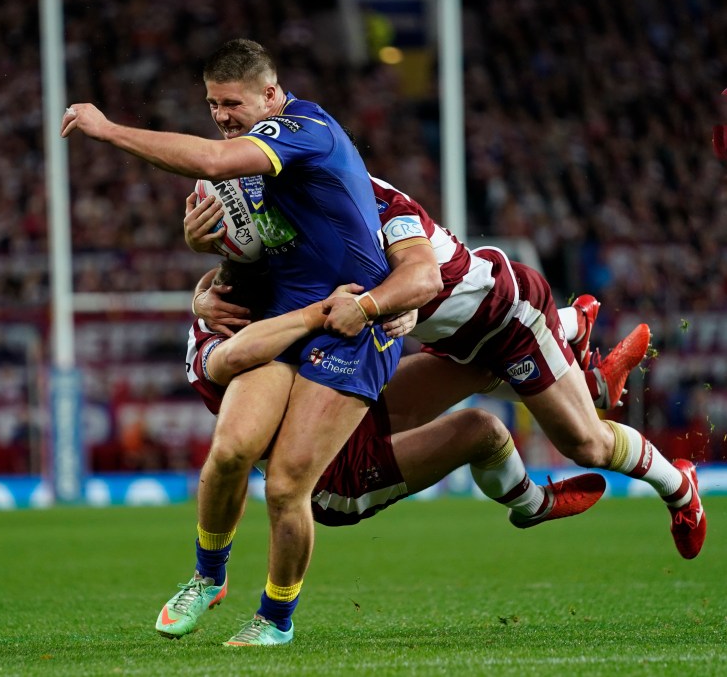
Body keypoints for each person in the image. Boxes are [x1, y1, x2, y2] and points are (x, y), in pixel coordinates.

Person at [63, 39, 442, 646]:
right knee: (230, 451)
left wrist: (107, 130)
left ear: (270, 94)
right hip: (285, 316)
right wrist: (205, 253)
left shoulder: (305, 131)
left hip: (350, 324)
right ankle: (206, 577)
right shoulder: (256, 170)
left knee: (288, 485)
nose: (220, 116)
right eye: (212, 104)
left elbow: (214, 161)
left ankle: (275, 619)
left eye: (231, 104)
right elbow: (252, 249)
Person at [187, 174, 706, 566]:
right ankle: (575, 377)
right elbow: (255, 280)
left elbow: (418, 278)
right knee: (485, 425)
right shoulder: (299, 244)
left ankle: (672, 481)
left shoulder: (370, 217)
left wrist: (391, 304)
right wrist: (202, 267)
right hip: (337, 464)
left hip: (502, 319)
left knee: (578, 439)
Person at [156, 259, 606, 640]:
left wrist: (402, 306)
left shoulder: (279, 293)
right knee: (482, 430)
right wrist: (319, 312)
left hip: (346, 407)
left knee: (478, 358)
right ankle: (533, 503)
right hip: (336, 474)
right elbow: (233, 357)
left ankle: (582, 369)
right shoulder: (215, 341)